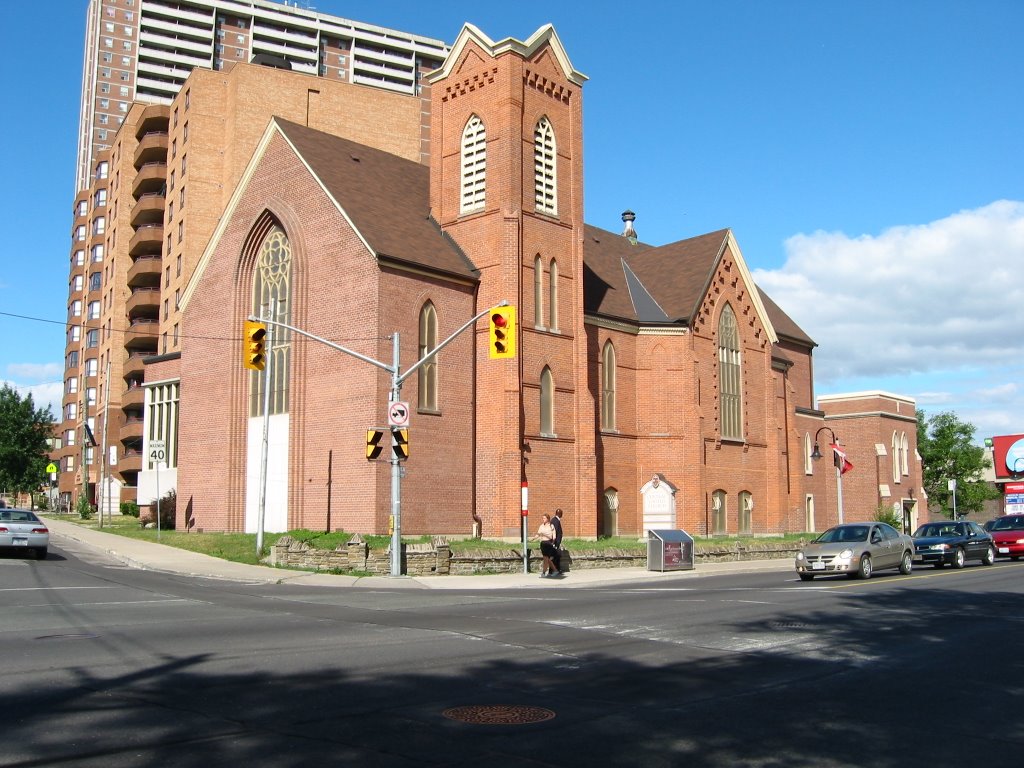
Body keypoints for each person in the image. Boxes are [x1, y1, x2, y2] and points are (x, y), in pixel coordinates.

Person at [531, 513, 559, 577]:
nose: (543, 519)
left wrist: (553, 542)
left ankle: (543, 573)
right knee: (547, 559)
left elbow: (554, 536)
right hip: (543, 543)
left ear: (548, 519)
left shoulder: (551, 526)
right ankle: (555, 570)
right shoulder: (541, 526)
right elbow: (538, 534)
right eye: (542, 518)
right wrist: (533, 538)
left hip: (548, 543)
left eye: (544, 518)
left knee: (546, 559)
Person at [550, 507, 564, 575]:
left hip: (556, 542)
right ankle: (554, 570)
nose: (561, 514)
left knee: (556, 556)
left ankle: (556, 569)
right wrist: (555, 542)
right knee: (555, 556)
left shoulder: (555, 520)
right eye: (561, 513)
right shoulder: (555, 521)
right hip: (555, 542)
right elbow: (555, 532)